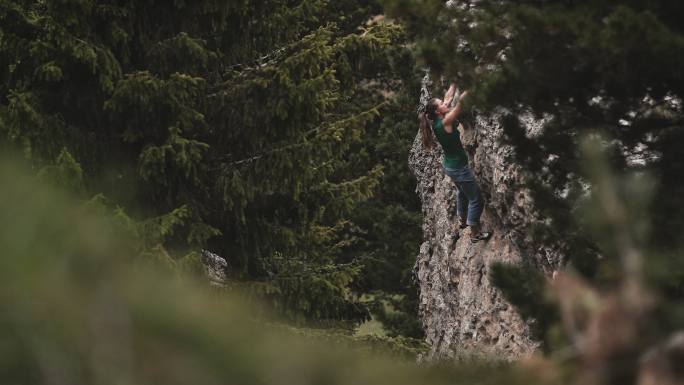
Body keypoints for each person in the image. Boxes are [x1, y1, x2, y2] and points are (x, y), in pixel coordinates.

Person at [419, 83, 492, 243]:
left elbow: (448, 97)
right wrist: (472, 84)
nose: (445, 104)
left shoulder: (439, 121)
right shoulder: (446, 121)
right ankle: (474, 233)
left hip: (450, 166)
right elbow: (460, 104)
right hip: (458, 168)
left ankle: (461, 219)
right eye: (442, 104)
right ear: (438, 111)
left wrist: (455, 81)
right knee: (475, 199)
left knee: (461, 192)